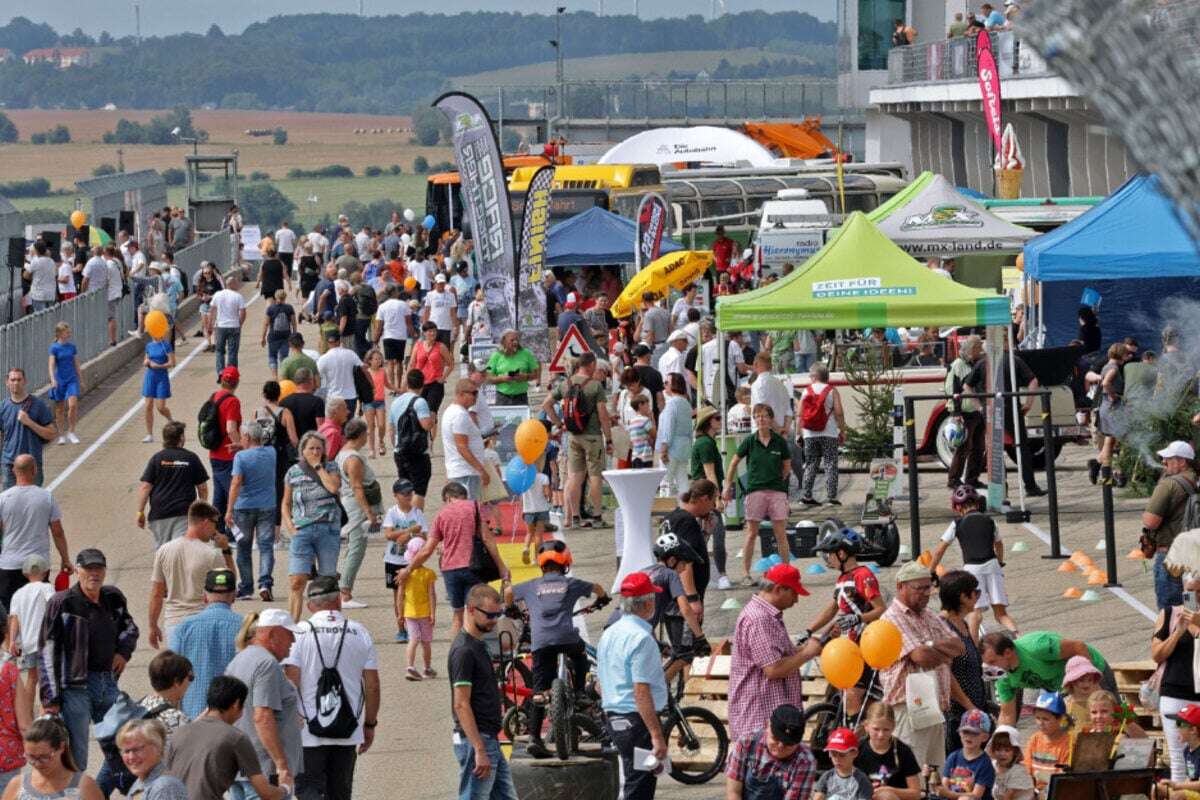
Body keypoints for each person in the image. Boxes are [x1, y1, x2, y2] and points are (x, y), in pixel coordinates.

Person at [40, 548, 139, 771]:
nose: (94, 574)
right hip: (75, 689)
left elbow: (130, 628)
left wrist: (123, 652)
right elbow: (47, 651)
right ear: (77, 570)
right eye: (88, 569)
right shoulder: (62, 602)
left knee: (123, 747)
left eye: (98, 568)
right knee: (77, 756)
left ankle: (100, 791)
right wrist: (51, 699)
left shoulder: (112, 598)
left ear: (104, 571)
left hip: (107, 683)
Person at [282, 577, 380, 800]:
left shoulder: (298, 633)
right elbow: (372, 685)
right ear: (338, 601)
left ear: (309, 605)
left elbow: (291, 682)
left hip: (307, 731)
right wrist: (370, 724)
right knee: (340, 793)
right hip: (347, 729)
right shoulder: (359, 632)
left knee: (308, 791)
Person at [878, 561, 965, 769]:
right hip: (908, 707)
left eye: (929, 587)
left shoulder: (928, 615)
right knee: (911, 772)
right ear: (901, 586)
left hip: (933, 705)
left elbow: (959, 646)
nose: (926, 593)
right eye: (920, 588)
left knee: (935, 771)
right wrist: (940, 654)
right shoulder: (892, 618)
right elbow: (920, 657)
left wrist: (930, 645)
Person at [402, 482, 510, 636]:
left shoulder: (442, 514)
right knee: (475, 614)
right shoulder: (474, 507)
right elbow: (487, 539)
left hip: (450, 570)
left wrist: (408, 569)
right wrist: (501, 567)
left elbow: (427, 550)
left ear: (447, 497)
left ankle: (456, 655)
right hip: (473, 567)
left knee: (457, 616)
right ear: (463, 495)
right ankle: (476, 652)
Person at [728, 562, 819, 741]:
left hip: (767, 719)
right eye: (794, 593)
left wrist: (806, 649)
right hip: (759, 721)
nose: (796, 600)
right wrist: (807, 654)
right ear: (778, 589)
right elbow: (774, 669)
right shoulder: (760, 619)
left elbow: (779, 656)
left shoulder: (767, 615)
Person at [597, 573, 669, 800]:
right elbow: (641, 691)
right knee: (640, 787)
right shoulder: (642, 638)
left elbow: (600, 684)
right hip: (636, 723)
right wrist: (657, 735)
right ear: (648, 603)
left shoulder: (609, 634)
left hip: (615, 718)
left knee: (635, 779)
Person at [164, 675, 289, 800]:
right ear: (236, 704)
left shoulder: (179, 733)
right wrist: (285, 788)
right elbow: (265, 793)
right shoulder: (236, 738)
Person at [804, 528, 886, 718]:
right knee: (851, 699)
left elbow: (881, 609)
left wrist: (858, 618)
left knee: (852, 699)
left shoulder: (863, 575)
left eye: (829, 554)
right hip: (848, 646)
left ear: (842, 553)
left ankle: (856, 737)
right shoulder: (842, 579)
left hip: (865, 645)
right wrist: (809, 630)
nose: (827, 558)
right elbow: (832, 609)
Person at [447, 583, 517, 800]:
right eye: (489, 615)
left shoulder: (478, 644)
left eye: (498, 614)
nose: (495, 620)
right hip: (477, 741)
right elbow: (461, 704)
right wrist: (479, 749)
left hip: (488, 739)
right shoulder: (464, 651)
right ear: (470, 609)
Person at [224, 608, 303, 799]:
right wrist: (281, 765)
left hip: (240, 766)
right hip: (263, 770)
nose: (293, 641)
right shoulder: (267, 664)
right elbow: (262, 716)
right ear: (273, 634)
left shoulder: (238, 660)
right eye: (289, 634)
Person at [931, 485, 1018, 633]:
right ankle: (1018, 636)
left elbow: (940, 550)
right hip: (992, 565)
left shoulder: (957, 524)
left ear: (957, 506)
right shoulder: (990, 521)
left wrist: (931, 570)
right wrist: (1000, 562)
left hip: (972, 569)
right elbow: (999, 545)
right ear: (977, 503)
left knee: (974, 614)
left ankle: (974, 649)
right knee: (1001, 614)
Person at [147, 502, 232, 650]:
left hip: (174, 623)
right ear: (205, 522)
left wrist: (152, 625)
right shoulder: (211, 554)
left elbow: (156, 593)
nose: (215, 530)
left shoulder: (164, 550)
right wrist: (226, 550)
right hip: (203, 620)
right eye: (214, 524)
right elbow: (229, 583)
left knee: (178, 671)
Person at [979, 630, 1110, 726]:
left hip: (1092, 671)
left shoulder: (1037, 647)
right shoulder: (1004, 678)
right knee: (1074, 730)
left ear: (1007, 653)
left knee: (1108, 719)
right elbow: (1007, 714)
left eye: (992, 662)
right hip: (1064, 689)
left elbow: (1078, 647)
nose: (991, 668)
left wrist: (1090, 685)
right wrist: (1002, 739)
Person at [724, 404, 792, 585]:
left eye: (764, 416)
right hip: (755, 491)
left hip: (776, 490)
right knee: (751, 533)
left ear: (770, 419)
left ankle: (786, 571)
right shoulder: (750, 441)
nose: (761, 419)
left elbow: (787, 466)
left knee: (780, 533)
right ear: (755, 420)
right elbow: (733, 463)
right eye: (758, 416)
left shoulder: (779, 442)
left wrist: (778, 481)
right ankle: (746, 574)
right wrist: (727, 485)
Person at [282, 431, 343, 621]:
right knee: (296, 581)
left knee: (327, 582)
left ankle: (331, 622)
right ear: (303, 450)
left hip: (327, 528)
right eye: (311, 448)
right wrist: (290, 527)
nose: (315, 451)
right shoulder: (293, 472)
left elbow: (333, 488)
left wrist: (318, 467)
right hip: (302, 530)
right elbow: (285, 503)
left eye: (318, 448)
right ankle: (293, 625)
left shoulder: (330, 466)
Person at [169, 569, 241, 720]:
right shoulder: (246, 627)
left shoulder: (184, 627)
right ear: (234, 595)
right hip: (234, 716)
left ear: (205, 596)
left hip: (193, 715)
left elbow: (170, 673)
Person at [0, 455, 69, 609]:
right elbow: (58, 532)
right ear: (34, 470)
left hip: (9, 565)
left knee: (10, 613)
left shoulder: (3, 498)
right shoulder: (46, 497)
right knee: (38, 611)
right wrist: (65, 559)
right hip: (38, 566)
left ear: (13, 470)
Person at [1152, 571, 1200, 782]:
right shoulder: (1170, 614)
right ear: (1183, 591)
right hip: (1175, 693)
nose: (1196, 596)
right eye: (1191, 591)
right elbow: (1157, 655)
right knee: (1179, 762)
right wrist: (1178, 632)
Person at [936, 570, 989, 756]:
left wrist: (974, 624)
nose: (978, 596)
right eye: (976, 593)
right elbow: (946, 674)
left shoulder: (962, 623)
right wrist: (969, 706)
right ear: (962, 597)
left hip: (974, 707)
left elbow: (971, 656)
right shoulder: (943, 626)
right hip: (958, 714)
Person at [137, 421, 210, 548]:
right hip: (184, 513)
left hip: (160, 514)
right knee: (181, 551)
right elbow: (202, 488)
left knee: (164, 553)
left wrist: (140, 512)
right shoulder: (191, 458)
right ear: (181, 438)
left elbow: (145, 486)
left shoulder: (157, 459)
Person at [1143, 441, 1197, 611]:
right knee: (1191, 607)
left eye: (1168, 458)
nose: (1163, 462)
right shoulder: (1196, 480)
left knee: (1171, 611)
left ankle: (1173, 637)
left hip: (1171, 556)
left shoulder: (1169, 484)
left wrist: (1145, 514)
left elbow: (1151, 521)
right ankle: (1191, 636)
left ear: (1182, 462)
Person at [724, 703, 817, 800]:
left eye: (788, 743)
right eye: (775, 738)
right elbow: (733, 792)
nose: (780, 746)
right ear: (768, 726)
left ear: (798, 742)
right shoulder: (746, 744)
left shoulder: (805, 762)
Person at [336, 419, 382, 609]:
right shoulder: (353, 458)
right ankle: (344, 593)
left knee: (354, 547)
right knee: (357, 547)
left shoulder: (343, 453)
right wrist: (368, 512)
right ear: (361, 435)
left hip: (350, 503)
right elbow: (357, 487)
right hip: (356, 507)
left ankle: (342, 587)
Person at [1, 717, 102, 800]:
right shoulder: (17, 785)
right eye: (31, 757)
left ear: (61, 747)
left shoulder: (85, 786)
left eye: (44, 757)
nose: (37, 763)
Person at [7, 555, 52, 732]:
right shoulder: (47, 588)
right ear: (46, 571)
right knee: (46, 678)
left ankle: (27, 716)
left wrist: (12, 641)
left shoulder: (18, 594)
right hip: (45, 641)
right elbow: (53, 606)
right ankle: (44, 715)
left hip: (27, 643)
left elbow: (14, 619)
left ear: (25, 573)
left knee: (31, 678)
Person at [0, 368, 56, 489]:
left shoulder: (38, 405)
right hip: (9, 464)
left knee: (31, 503)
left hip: (31, 464)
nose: (16, 383)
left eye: (19, 379)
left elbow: (51, 433)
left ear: (25, 381)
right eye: (13, 380)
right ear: (7, 382)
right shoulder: (2, 407)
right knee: (8, 503)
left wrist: (29, 422)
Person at [799, 362, 844, 506]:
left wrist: (798, 434)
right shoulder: (832, 390)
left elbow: (799, 414)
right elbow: (839, 412)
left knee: (811, 463)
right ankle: (831, 497)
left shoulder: (806, 391)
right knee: (830, 463)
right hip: (829, 433)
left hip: (809, 433)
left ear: (814, 376)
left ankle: (807, 496)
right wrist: (842, 430)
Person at [855, 702, 922, 800]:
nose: (881, 734)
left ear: (893, 726)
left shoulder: (903, 751)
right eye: (876, 729)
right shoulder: (857, 749)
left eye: (886, 730)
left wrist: (890, 791)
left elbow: (916, 793)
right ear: (866, 726)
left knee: (886, 797)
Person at [388, 370, 435, 510]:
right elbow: (426, 425)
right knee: (419, 490)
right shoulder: (420, 402)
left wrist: (396, 445)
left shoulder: (396, 402)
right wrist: (432, 418)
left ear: (407, 383)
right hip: (417, 452)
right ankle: (416, 523)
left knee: (405, 490)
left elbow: (391, 429)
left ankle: (404, 522)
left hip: (400, 451)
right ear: (423, 384)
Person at [944, 335, 986, 490]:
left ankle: (971, 479)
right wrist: (956, 412)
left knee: (978, 448)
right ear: (972, 349)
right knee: (963, 448)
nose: (981, 351)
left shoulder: (974, 363)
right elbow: (951, 388)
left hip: (975, 411)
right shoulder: (957, 365)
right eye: (978, 348)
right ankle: (953, 480)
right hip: (964, 412)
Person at [206, 367, 243, 535]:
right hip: (228, 454)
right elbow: (230, 428)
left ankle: (216, 530)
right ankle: (232, 534)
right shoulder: (232, 401)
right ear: (236, 382)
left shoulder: (214, 396)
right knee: (233, 495)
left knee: (219, 496)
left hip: (214, 452)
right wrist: (241, 446)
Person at [119, 718, 188, 800]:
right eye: (126, 751)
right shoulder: (140, 784)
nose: (131, 757)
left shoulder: (164, 787)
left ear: (158, 747)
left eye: (137, 749)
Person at [936, 709, 996, 800]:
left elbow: (976, 795)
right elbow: (944, 786)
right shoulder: (953, 757)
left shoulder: (985, 763)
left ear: (985, 737)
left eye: (974, 733)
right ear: (960, 733)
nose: (969, 736)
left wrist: (947, 794)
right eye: (965, 732)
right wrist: (934, 783)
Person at [1023, 691, 1072, 793]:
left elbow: (1062, 779)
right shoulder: (1035, 739)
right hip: (1033, 790)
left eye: (1046, 719)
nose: (1040, 723)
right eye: (1038, 718)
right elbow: (1026, 769)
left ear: (1060, 719)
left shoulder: (1069, 743)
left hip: (1055, 792)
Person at [656, 372, 693, 497]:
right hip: (684, 446)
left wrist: (664, 449)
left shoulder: (672, 404)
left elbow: (668, 428)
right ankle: (686, 508)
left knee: (666, 481)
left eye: (666, 383)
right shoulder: (686, 403)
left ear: (674, 385)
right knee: (682, 480)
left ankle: (665, 509)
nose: (664, 385)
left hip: (671, 447)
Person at [813, 728, 873, 800]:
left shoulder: (862, 781)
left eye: (842, 754)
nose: (837, 759)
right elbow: (818, 797)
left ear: (854, 753)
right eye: (833, 754)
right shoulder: (827, 777)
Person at [48, 322, 82, 446]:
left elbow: (76, 364)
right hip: (60, 380)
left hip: (71, 379)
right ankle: (61, 434)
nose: (69, 333)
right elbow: (51, 365)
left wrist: (81, 380)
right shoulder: (54, 348)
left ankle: (71, 431)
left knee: (73, 405)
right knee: (60, 408)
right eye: (67, 331)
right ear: (60, 333)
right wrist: (53, 379)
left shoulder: (72, 347)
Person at [485, 330, 540, 408]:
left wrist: (525, 377)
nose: (515, 342)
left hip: (521, 397)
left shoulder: (526, 353)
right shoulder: (496, 355)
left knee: (523, 421)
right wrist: (503, 378)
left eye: (517, 340)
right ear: (504, 341)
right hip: (502, 398)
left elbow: (536, 374)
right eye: (512, 340)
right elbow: (488, 378)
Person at [410, 321, 454, 417]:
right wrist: (410, 382)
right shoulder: (418, 345)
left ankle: (432, 432)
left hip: (435, 383)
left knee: (432, 412)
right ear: (424, 333)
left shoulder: (441, 346)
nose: (433, 333)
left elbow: (451, 364)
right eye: (430, 331)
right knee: (419, 413)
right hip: (419, 384)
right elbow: (411, 364)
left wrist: (443, 377)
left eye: (434, 331)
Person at [317, 330, 364, 417]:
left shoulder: (324, 358)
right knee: (348, 426)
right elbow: (363, 369)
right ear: (340, 341)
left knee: (334, 425)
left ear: (328, 342)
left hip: (333, 397)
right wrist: (371, 385)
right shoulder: (351, 354)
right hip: (350, 396)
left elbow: (317, 375)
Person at [209, 275, 247, 378]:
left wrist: (210, 325)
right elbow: (243, 312)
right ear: (232, 284)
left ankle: (220, 371)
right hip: (234, 325)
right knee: (232, 351)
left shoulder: (218, 294)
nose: (238, 285)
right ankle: (231, 373)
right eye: (236, 283)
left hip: (220, 326)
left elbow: (212, 310)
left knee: (219, 350)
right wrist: (239, 324)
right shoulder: (238, 296)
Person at [987, 725, 1035, 800]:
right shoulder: (993, 765)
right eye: (998, 749)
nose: (1002, 754)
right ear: (992, 750)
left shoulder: (1018, 771)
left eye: (1007, 750)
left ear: (1015, 752)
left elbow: (1008, 796)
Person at [261, 290, 297, 380]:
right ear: (285, 297)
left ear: (275, 297)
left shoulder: (270, 308)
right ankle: (283, 376)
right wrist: (294, 334)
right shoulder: (289, 308)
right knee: (284, 357)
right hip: (286, 336)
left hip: (273, 337)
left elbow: (266, 324)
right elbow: (294, 323)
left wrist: (263, 337)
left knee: (272, 356)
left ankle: (275, 376)